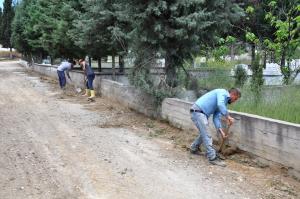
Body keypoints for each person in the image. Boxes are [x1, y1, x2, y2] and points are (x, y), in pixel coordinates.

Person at [190, 88, 241, 167]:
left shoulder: (224, 101)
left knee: (204, 133)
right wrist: (228, 117)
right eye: (236, 99)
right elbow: (220, 105)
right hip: (198, 112)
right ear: (233, 94)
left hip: (200, 113)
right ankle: (212, 157)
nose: (235, 101)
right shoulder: (223, 93)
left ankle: (194, 148)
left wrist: (222, 132)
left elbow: (216, 117)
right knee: (207, 134)